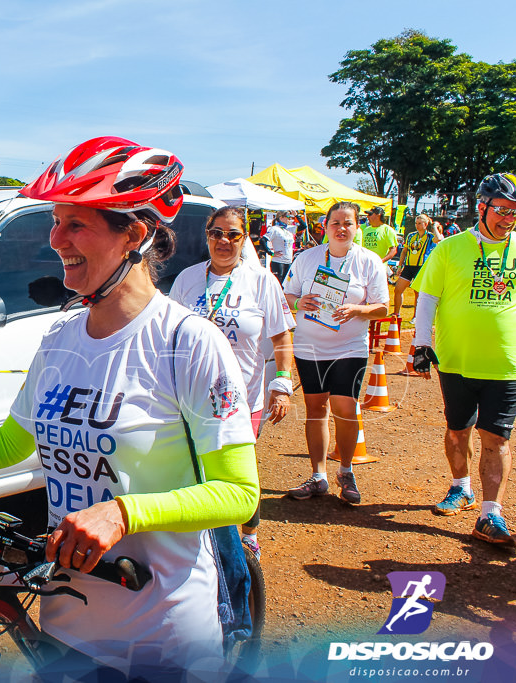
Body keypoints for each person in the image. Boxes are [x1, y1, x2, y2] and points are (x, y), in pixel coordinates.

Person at [0, 136, 258, 678]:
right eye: (56, 221)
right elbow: (12, 442)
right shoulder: (61, 336)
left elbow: (238, 494)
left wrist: (124, 512)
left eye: (75, 224)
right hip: (67, 622)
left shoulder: (186, 342)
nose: (55, 238)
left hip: (162, 631)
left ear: (134, 235)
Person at [170, 206, 294, 559]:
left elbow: (282, 338)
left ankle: (249, 535)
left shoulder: (261, 281)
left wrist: (281, 384)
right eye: (216, 234)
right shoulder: (187, 279)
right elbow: (169, 334)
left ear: (246, 239)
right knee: (195, 464)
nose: (224, 241)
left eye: (233, 234)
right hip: (190, 398)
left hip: (242, 399)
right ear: (207, 236)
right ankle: (202, 534)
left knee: (238, 470)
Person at [412, 173, 516, 551]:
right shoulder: (449, 248)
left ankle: (491, 513)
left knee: (497, 438)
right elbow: (427, 298)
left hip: (507, 364)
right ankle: (461, 488)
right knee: (458, 429)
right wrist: (421, 343)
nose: (509, 218)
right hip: (456, 361)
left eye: (515, 211)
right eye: (502, 210)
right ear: (482, 207)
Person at [283, 201, 389, 504]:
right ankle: (318, 476)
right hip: (309, 347)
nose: (342, 229)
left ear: (357, 227)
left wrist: (358, 309)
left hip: (349, 347)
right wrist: (299, 303)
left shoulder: (369, 261)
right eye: (336, 223)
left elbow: (382, 307)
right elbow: (286, 294)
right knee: (315, 410)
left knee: (345, 407)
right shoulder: (306, 258)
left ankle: (345, 470)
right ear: (325, 226)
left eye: (348, 223)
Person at [392, 213, 438, 319]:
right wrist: (400, 266)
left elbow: (438, 239)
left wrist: (434, 226)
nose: (417, 225)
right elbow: (404, 251)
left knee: (418, 292)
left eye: (420, 223)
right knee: (398, 289)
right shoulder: (411, 236)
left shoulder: (430, 236)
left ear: (425, 224)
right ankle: (396, 314)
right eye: (416, 223)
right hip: (408, 266)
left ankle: (415, 316)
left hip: (421, 267)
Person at [265, 214, 295, 282]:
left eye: (290, 217)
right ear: (281, 218)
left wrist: (296, 215)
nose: (289, 219)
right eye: (288, 217)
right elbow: (263, 240)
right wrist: (271, 253)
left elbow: (303, 226)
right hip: (278, 261)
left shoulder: (288, 229)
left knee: (287, 283)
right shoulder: (274, 229)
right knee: (278, 283)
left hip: (288, 261)